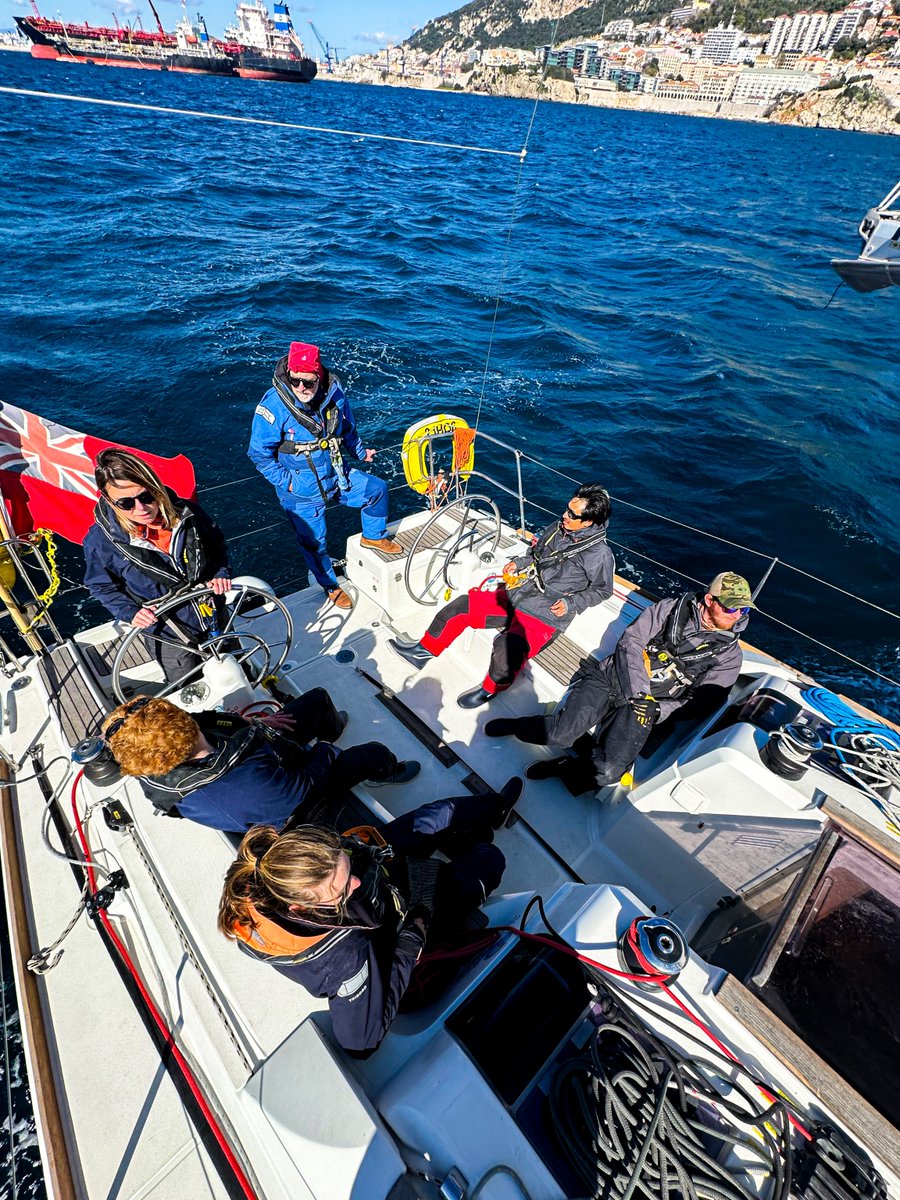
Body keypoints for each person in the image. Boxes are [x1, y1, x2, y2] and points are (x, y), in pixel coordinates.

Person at [217, 782, 521, 1055]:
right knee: (490, 859)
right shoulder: (343, 959)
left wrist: (357, 861)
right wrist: (412, 936)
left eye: (343, 864)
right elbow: (360, 1043)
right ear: (300, 908)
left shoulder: (273, 867)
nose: (355, 883)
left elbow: (349, 873)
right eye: (342, 887)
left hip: (381, 868)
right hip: (409, 912)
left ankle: (496, 810)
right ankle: (474, 846)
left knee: (442, 813)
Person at [485, 571, 755, 794]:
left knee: (609, 772)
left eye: (743, 609)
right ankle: (518, 725)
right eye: (731, 606)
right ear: (709, 600)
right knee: (560, 733)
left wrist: (660, 710)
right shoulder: (671, 609)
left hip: (649, 706)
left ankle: (565, 767)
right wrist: (639, 690)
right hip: (613, 676)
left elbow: (706, 700)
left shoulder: (729, 656)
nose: (737, 615)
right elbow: (631, 641)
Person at [389, 484, 615, 709]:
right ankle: (423, 651)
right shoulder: (558, 527)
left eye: (572, 515)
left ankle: (490, 690)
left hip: (546, 613)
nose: (565, 515)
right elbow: (536, 556)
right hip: (519, 593)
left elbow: (603, 590)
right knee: (461, 607)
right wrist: (519, 562)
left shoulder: (600, 555)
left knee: (509, 647)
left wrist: (571, 603)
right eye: (567, 509)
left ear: (588, 522)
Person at [103, 691, 420, 833]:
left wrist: (260, 726)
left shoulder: (150, 755)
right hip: (295, 801)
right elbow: (306, 784)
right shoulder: (245, 789)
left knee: (318, 701)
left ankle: (331, 725)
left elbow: (214, 722)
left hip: (265, 756)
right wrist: (324, 749)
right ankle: (384, 771)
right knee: (374, 752)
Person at [248, 341, 402, 611]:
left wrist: (360, 453)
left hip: (336, 474)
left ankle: (374, 536)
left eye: (308, 382)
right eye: (295, 381)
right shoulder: (273, 406)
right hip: (300, 491)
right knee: (315, 543)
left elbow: (348, 428)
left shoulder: (335, 393)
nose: (301, 389)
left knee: (376, 490)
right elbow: (259, 454)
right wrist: (289, 482)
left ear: (319, 376)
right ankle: (330, 586)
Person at [83, 449, 232, 683]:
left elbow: (217, 547)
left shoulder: (189, 514)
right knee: (189, 688)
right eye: (126, 503)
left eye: (147, 496)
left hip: (216, 614)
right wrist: (131, 612)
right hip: (169, 633)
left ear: (156, 487)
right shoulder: (100, 543)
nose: (141, 508)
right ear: (108, 499)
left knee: (237, 666)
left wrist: (220, 573)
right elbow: (102, 587)